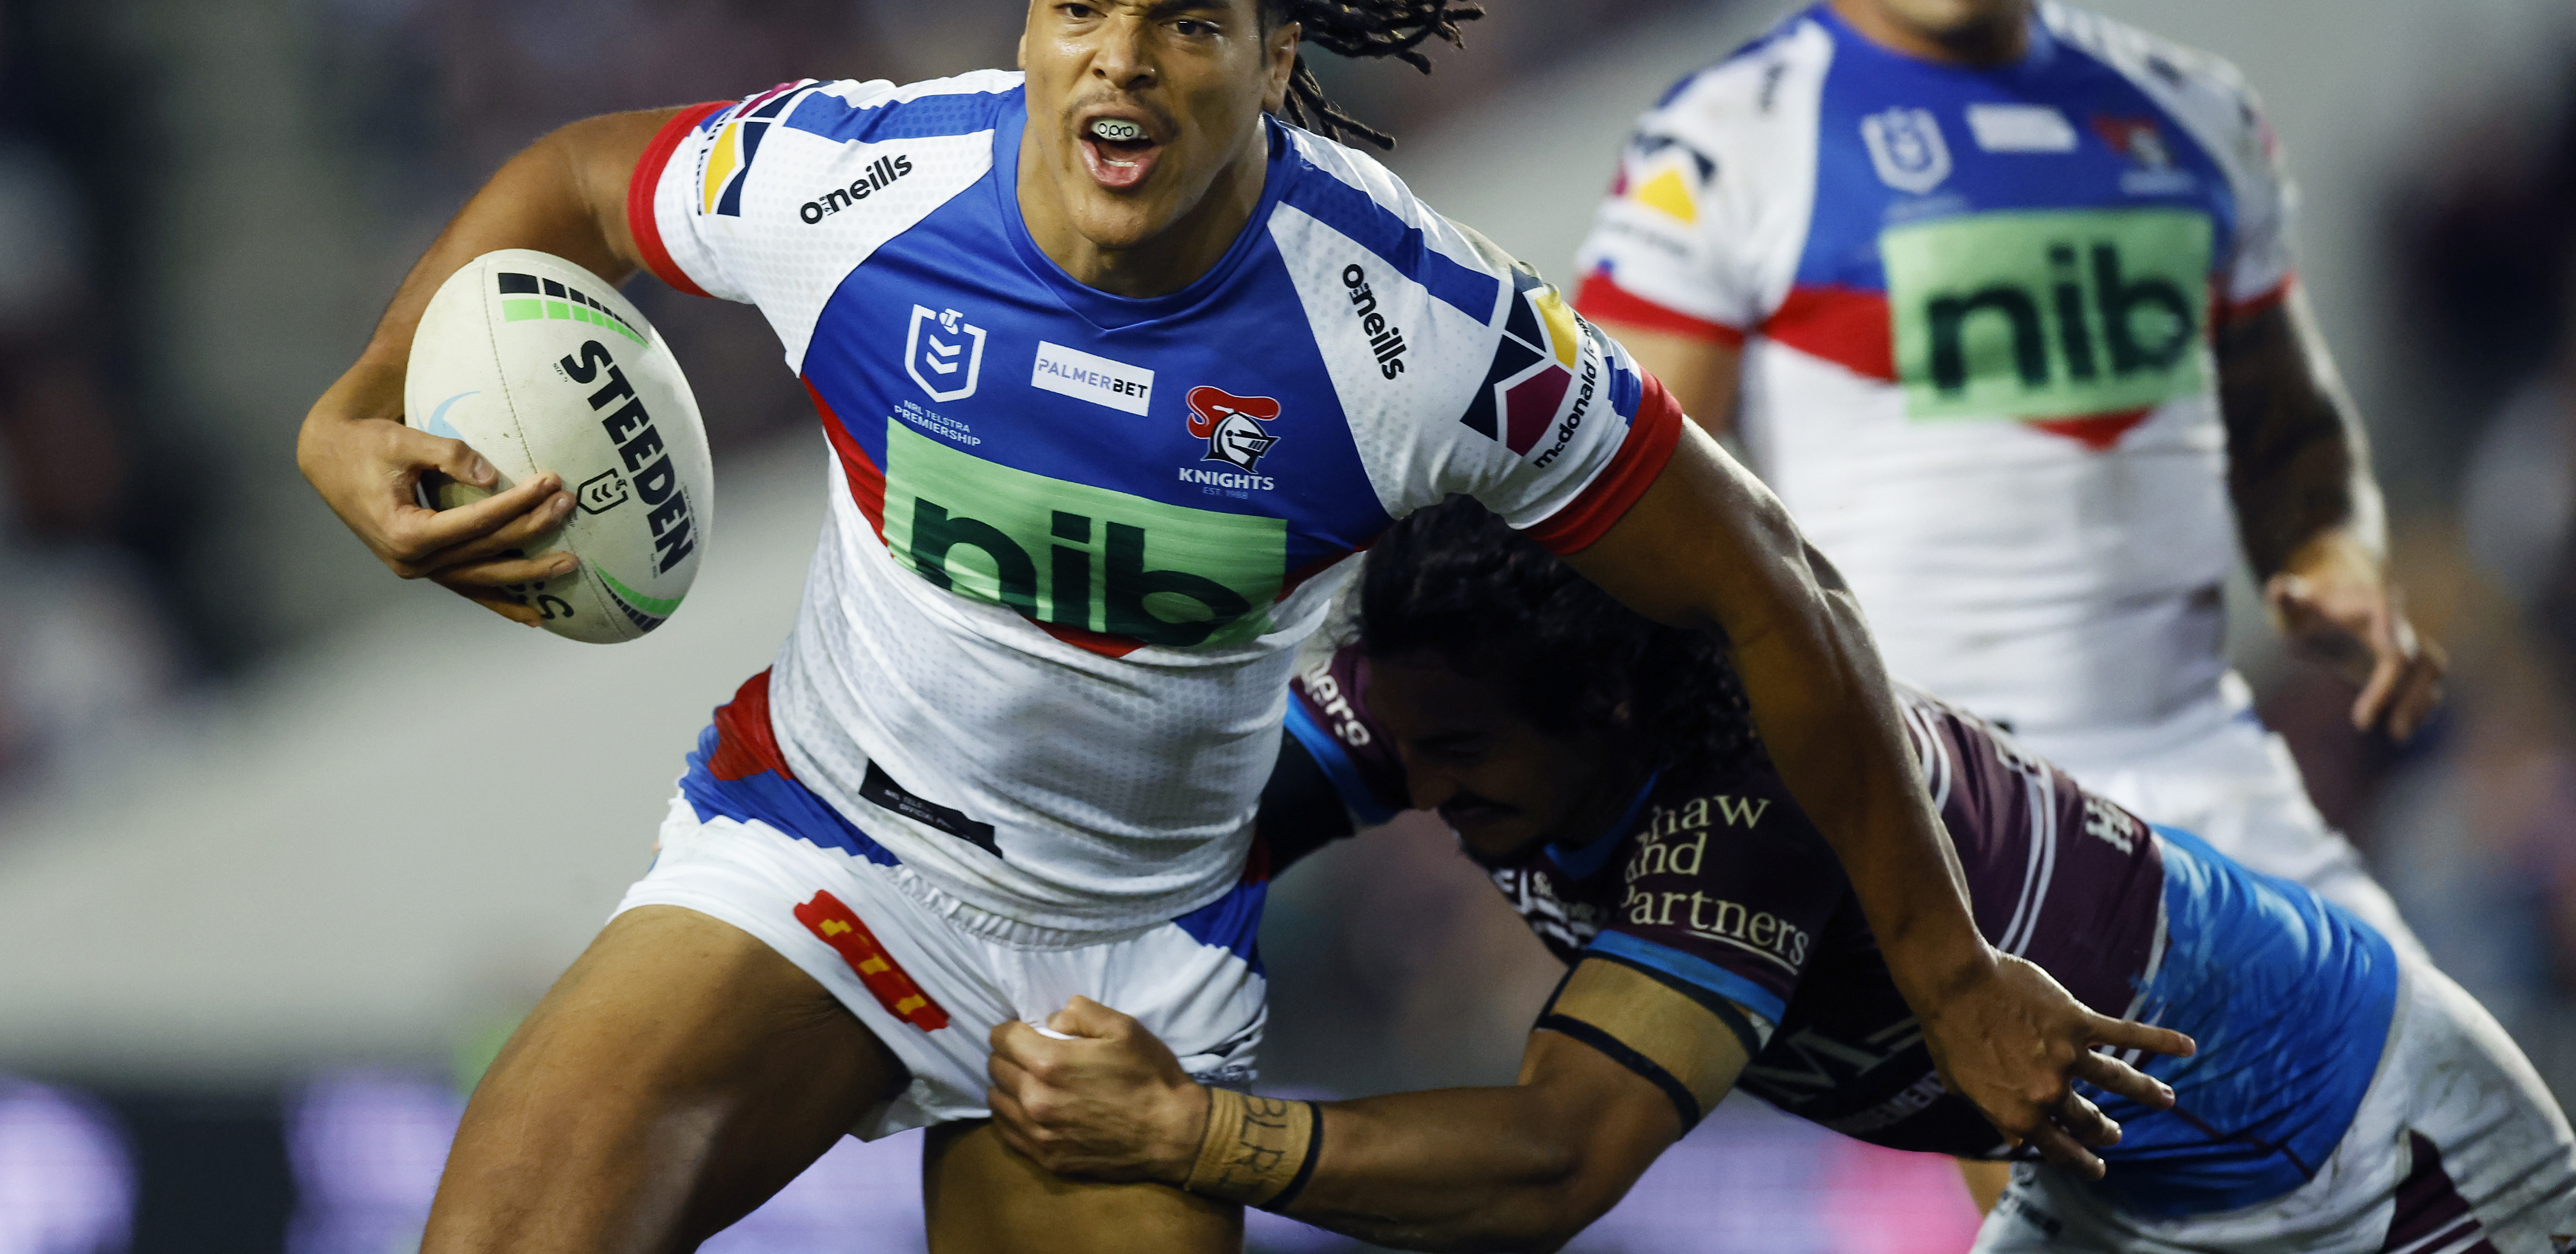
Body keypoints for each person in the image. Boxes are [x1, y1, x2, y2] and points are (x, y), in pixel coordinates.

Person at [293, 0, 2174, 1254]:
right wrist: (360, 406)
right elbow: (574, 181)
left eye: (1186, 23)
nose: (1119, 60)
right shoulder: (861, 186)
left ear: (1276, 60)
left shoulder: (1418, 329)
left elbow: (1775, 589)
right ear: (1025, 20)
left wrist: (1952, 974)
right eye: (1078, 6)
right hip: (824, 856)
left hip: (1134, 961)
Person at [986, 499, 2576, 1253]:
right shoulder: (1459, 688)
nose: (1422, 787)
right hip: (2112, 1193)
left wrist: (1187, 1130)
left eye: (1458, 752)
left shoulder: (1758, 785)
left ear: (1601, 707)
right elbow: (1151, 834)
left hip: (2370, 1167)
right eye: (1402, 748)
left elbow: (1556, 1159)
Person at [1570, 0, 2437, 956]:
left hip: (2215, 770)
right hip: (1952, 810)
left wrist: (2336, 550)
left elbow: (2288, 415)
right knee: (2098, 1154)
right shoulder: (1720, 145)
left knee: (2479, 1143)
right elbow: (1621, 501)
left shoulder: (2197, 117)